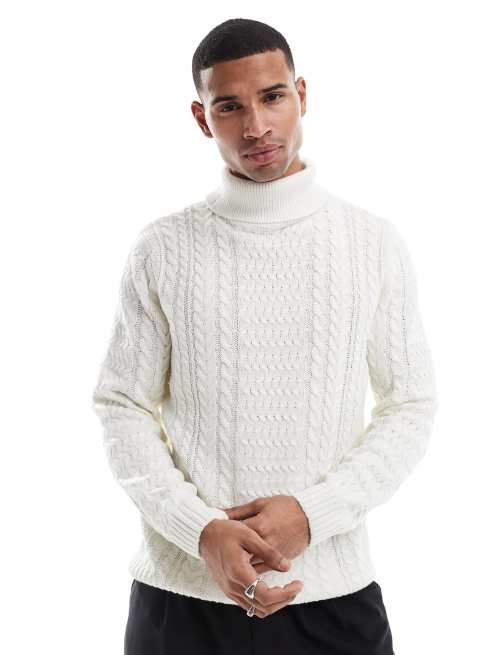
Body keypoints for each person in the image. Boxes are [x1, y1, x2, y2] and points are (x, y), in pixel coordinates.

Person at [91, 17, 438, 655]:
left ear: (300, 95)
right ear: (202, 118)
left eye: (272, 97)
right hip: (182, 603)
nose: (256, 126)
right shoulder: (162, 250)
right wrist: (201, 532)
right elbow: (122, 406)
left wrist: (313, 513)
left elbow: (410, 406)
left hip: (332, 599)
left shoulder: (371, 244)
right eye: (229, 106)